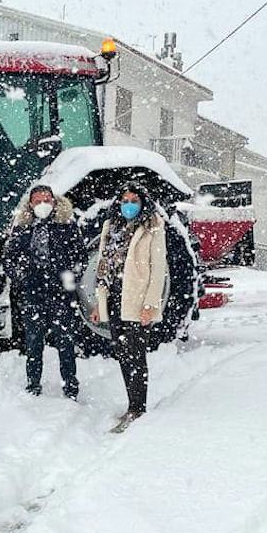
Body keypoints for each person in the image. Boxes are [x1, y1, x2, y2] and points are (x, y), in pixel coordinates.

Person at [90, 182, 169, 433]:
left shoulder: (153, 226)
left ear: (143, 203)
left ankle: (138, 407)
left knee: (136, 354)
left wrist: (150, 305)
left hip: (136, 300)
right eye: (125, 201)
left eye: (134, 201)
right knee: (123, 354)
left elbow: (158, 269)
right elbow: (102, 267)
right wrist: (98, 302)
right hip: (114, 298)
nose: (129, 205)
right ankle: (131, 405)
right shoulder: (110, 226)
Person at [4, 184, 87, 399]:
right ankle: (33, 384)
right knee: (33, 343)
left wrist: (70, 278)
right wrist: (21, 277)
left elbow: (81, 258)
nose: (43, 205)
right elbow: (9, 258)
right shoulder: (22, 228)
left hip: (61, 296)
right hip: (33, 295)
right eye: (38, 201)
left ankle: (70, 386)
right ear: (30, 204)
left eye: (46, 200)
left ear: (54, 201)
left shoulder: (67, 226)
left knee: (66, 343)